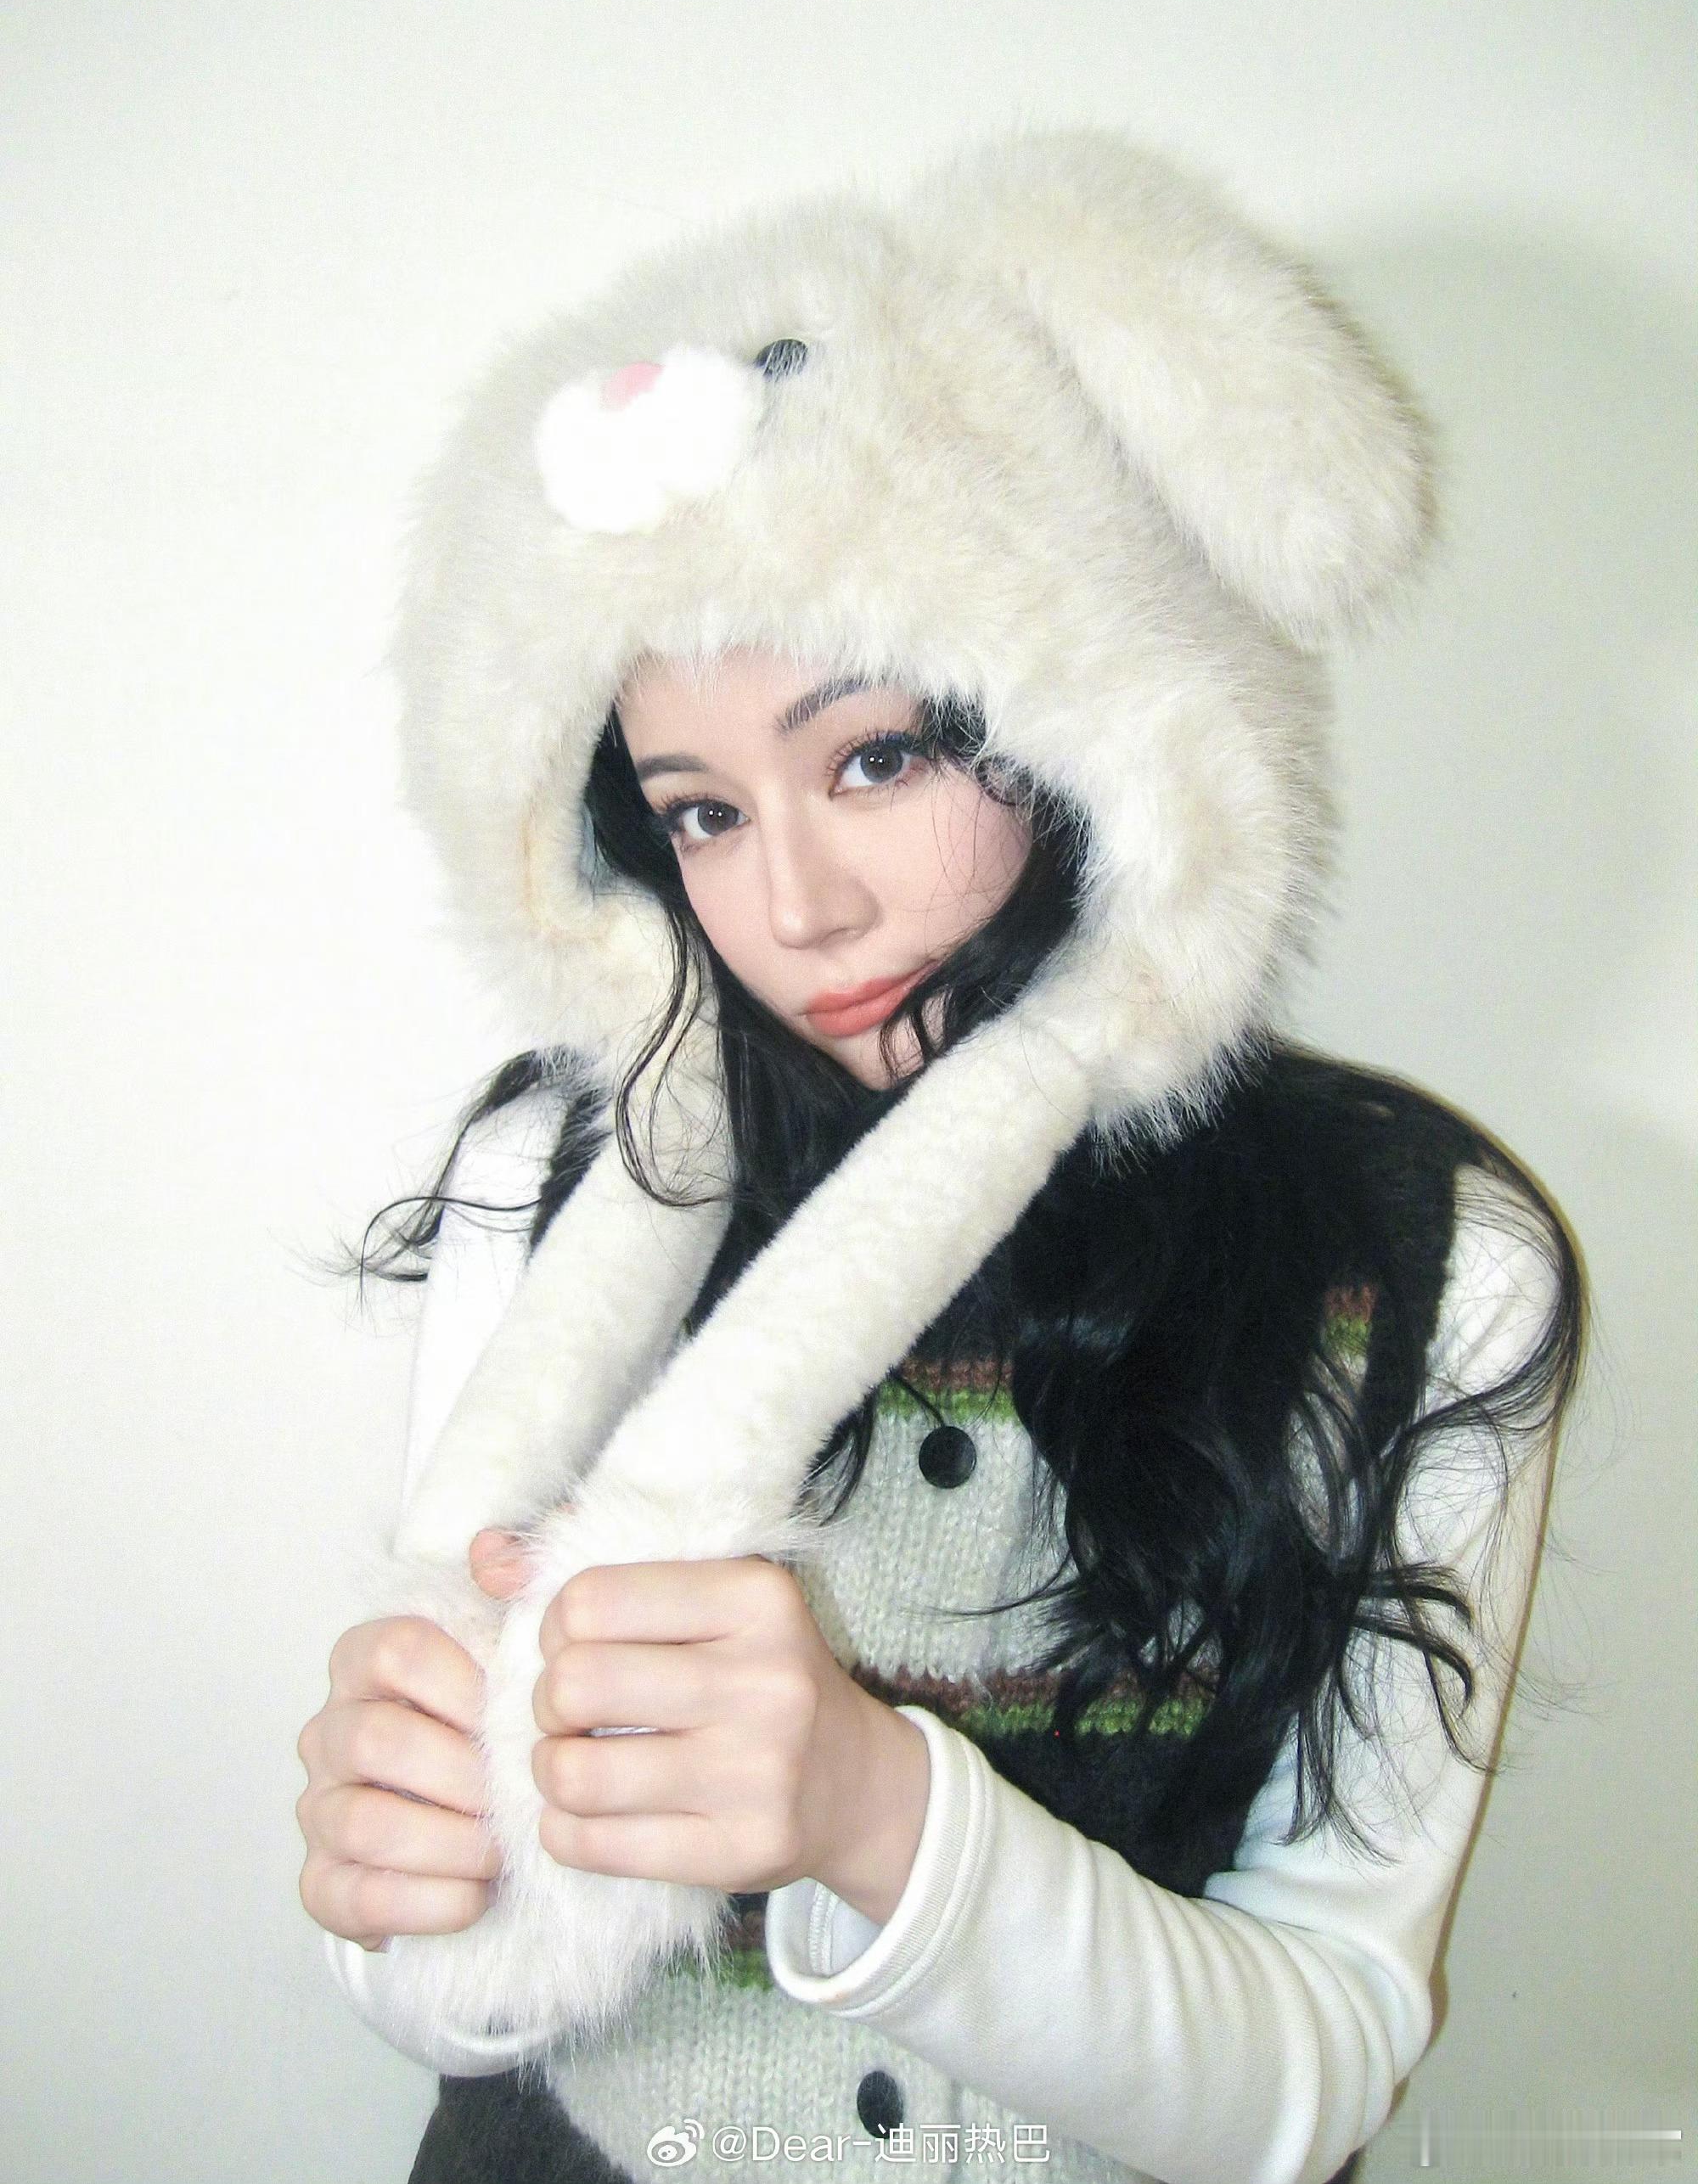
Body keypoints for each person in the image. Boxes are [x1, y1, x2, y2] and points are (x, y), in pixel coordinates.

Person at [295, 128, 1587, 2184]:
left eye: (878, 756)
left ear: (1099, 722)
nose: (793, 907)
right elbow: (441, 1990)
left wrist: (876, 1816)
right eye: (702, 810)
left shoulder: (1429, 1261)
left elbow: (1322, 2065)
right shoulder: (554, 1181)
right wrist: (398, 1889)